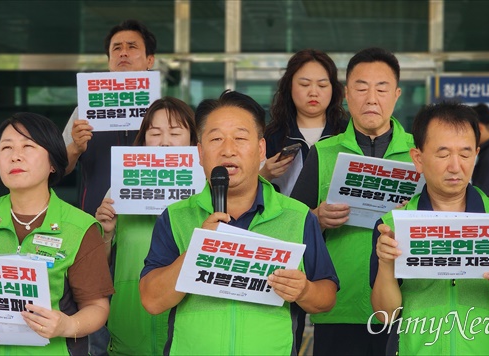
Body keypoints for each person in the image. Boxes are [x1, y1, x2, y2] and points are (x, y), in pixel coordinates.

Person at [139, 90, 339, 355]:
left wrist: (304, 290)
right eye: (216, 138)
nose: (228, 149)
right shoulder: (176, 217)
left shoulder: (297, 216)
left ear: (260, 149)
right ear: (199, 152)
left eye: (240, 138)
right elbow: (152, 301)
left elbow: (326, 297)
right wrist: (195, 253)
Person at [0, 113, 114, 355]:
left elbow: (96, 306)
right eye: (6, 147)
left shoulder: (80, 226)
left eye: (28, 146)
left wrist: (68, 324)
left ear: (53, 162)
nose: (15, 156)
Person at [371, 101, 489, 355]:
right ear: (418, 158)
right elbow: (387, 315)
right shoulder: (392, 226)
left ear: (476, 154)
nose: (455, 166)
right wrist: (386, 263)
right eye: (442, 153)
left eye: (465, 153)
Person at [290, 47, 413, 355]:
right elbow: (291, 222)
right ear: (346, 94)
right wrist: (316, 217)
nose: (372, 98)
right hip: (339, 305)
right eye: (361, 87)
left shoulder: (419, 152)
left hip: (406, 307)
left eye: (382, 88)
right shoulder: (325, 152)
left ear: (396, 94)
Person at [95, 97, 197, 355]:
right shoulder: (119, 190)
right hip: (130, 324)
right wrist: (105, 232)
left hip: (191, 328)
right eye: (155, 133)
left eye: (175, 133)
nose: (165, 142)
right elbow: (99, 267)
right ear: (143, 141)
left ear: (194, 142)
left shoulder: (209, 193)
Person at [62, 19, 157, 216]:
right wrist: (75, 148)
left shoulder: (163, 111)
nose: (123, 52)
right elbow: (59, 168)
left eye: (132, 47)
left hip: (148, 222)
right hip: (94, 219)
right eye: (116, 48)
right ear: (109, 60)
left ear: (150, 60)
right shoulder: (85, 110)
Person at [261, 49, 348, 197]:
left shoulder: (348, 133)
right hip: (289, 219)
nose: (313, 92)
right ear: (289, 87)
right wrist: (264, 175)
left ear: (333, 89)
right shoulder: (272, 136)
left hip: (339, 219)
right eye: (304, 84)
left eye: (322, 85)